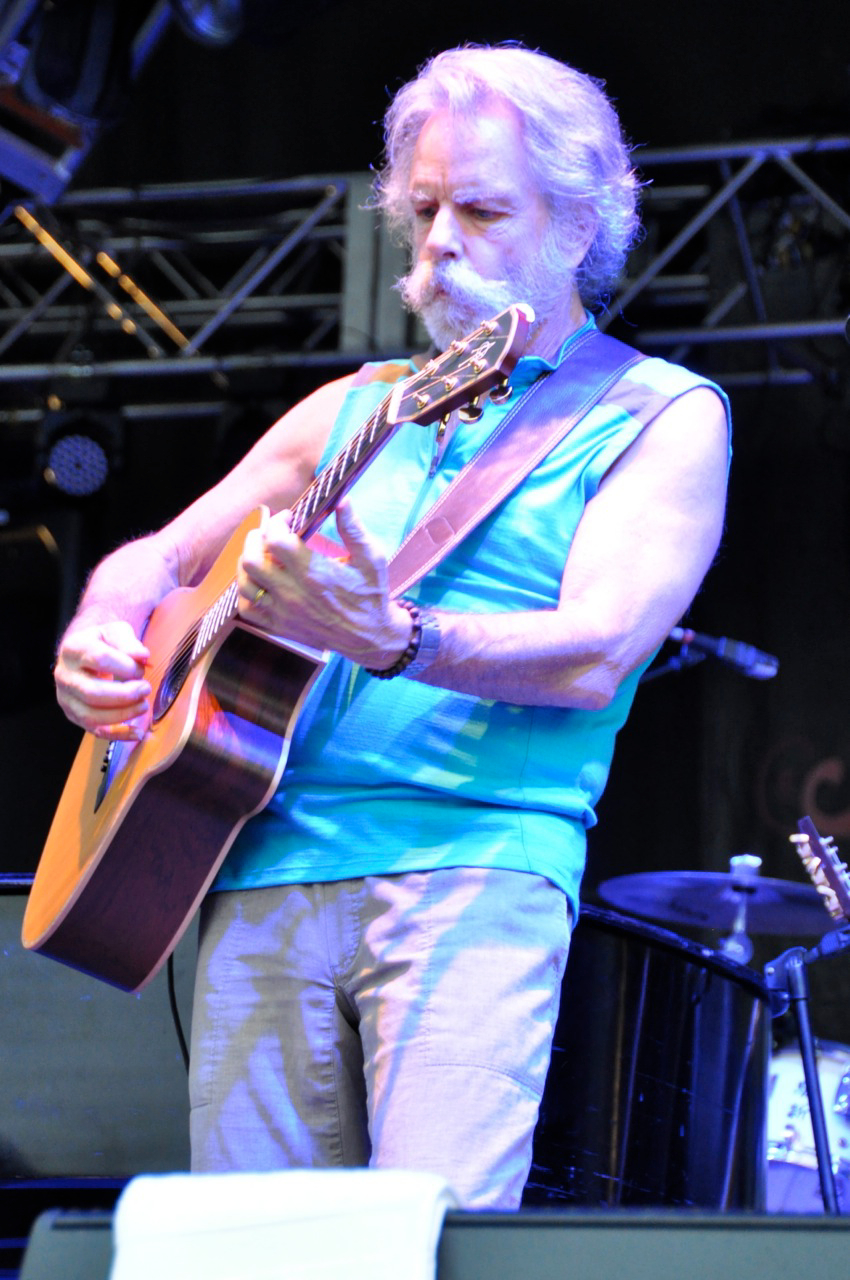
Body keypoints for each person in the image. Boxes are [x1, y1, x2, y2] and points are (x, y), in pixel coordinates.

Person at [53, 44, 730, 1209]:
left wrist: (398, 637)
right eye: (422, 211)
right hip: (255, 856)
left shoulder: (658, 413)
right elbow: (159, 557)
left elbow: (600, 648)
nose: (439, 243)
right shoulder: (356, 405)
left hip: (473, 865)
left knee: (428, 1238)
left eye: (481, 210)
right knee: (252, 1257)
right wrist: (104, 627)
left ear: (579, 224)